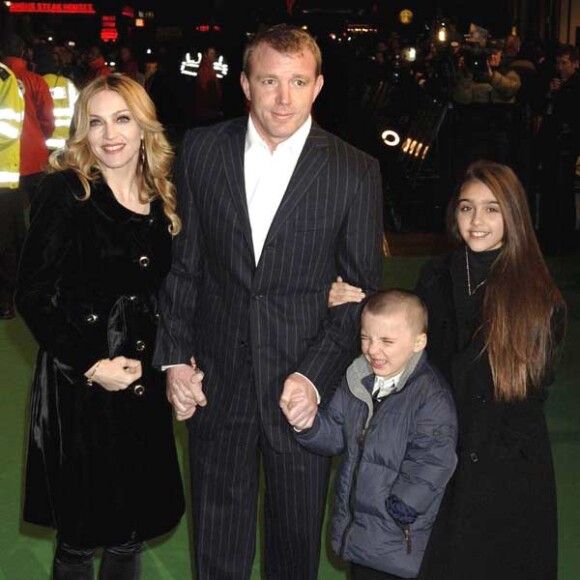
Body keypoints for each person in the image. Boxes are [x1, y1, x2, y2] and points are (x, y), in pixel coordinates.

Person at [153, 23, 384, 580]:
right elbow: (185, 267)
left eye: (298, 81)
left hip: (300, 389)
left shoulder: (355, 171)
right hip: (217, 382)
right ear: (245, 84)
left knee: (294, 546)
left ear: (318, 86)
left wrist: (313, 376)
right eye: (269, 81)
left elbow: (358, 297)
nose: (284, 98)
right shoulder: (203, 151)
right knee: (217, 547)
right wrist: (174, 359)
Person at [328, 160, 567, 580]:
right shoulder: (436, 274)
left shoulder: (538, 297)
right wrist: (358, 306)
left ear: (513, 215)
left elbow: (528, 395)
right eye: (466, 207)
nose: (477, 221)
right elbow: (406, 347)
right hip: (435, 447)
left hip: (501, 470)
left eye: (492, 209)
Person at [15, 73, 185, 579]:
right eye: (96, 122)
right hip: (80, 387)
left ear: (143, 127)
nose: (110, 134)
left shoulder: (160, 195)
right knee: (80, 535)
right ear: (82, 132)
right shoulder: (66, 192)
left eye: (122, 118)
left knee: (129, 532)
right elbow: (32, 295)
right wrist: (92, 365)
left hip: (142, 381)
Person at [286, 290, 458, 580]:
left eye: (387, 342)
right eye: (366, 338)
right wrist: (308, 425)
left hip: (398, 537)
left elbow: (434, 458)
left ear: (419, 342)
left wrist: (404, 504)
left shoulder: (431, 397)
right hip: (358, 531)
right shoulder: (358, 380)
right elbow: (337, 434)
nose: (373, 350)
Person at [537, 43, 580, 254]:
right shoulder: (560, 87)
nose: (560, 67)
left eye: (564, 63)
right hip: (555, 146)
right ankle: (555, 237)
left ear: (575, 64)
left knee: (562, 191)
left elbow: (567, 116)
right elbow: (549, 114)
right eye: (558, 63)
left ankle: (563, 239)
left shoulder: (574, 87)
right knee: (554, 191)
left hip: (566, 147)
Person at [2, 34, 55, 206]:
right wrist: (39, 139)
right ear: (23, 52)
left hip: (5, 160)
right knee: (36, 210)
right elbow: (47, 119)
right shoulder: (36, 80)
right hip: (35, 158)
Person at [0, 59, 25, 319]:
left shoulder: (3, 78)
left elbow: (8, 128)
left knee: (4, 243)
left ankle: (6, 300)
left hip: (2, 182)